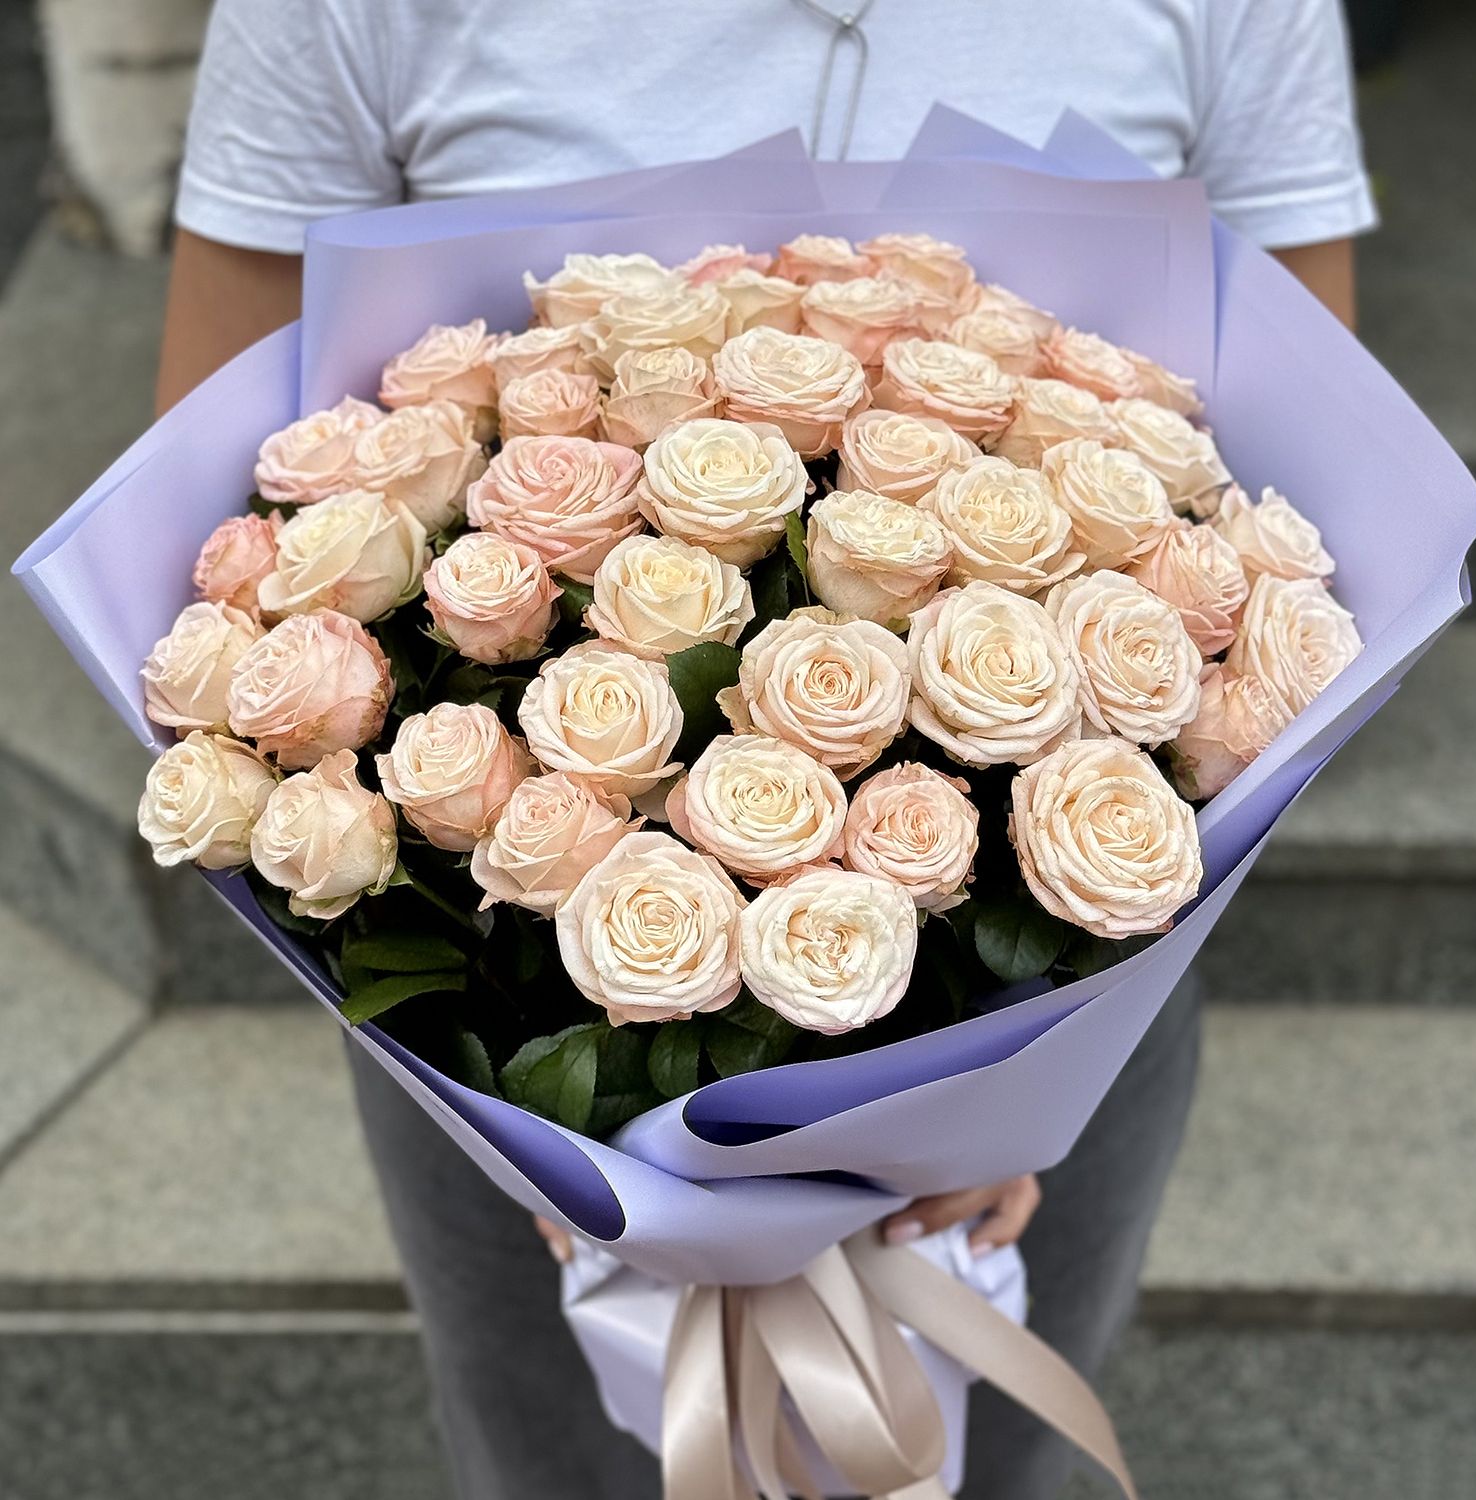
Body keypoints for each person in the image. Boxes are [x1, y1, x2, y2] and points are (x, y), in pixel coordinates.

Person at [156, 4, 1374, 1495]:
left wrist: (1010, 1088)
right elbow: (217, 509)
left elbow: (1306, 480)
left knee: (992, 1466)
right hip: (505, 1060)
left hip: (1070, 1029)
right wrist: (550, 1128)